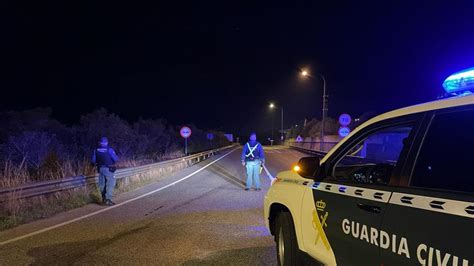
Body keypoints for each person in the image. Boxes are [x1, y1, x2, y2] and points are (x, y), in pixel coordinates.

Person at [92, 137, 119, 206]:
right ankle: (108, 199)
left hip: (100, 168)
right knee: (111, 183)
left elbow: (93, 161)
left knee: (102, 184)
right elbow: (115, 159)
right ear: (107, 143)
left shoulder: (96, 150)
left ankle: (103, 198)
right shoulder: (109, 150)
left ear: (100, 142)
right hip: (108, 169)